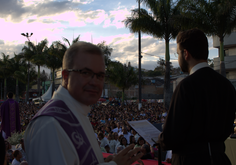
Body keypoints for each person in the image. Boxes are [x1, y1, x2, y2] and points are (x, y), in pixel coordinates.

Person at [24, 42, 143, 165]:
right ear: (66, 76)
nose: (95, 82)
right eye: (86, 73)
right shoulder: (50, 124)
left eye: (100, 76)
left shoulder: (78, 112)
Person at [158, 29, 236, 165]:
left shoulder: (186, 86)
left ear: (186, 53)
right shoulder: (227, 85)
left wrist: (160, 139)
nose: (178, 58)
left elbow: (170, 138)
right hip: (220, 159)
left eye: (178, 53)